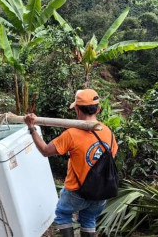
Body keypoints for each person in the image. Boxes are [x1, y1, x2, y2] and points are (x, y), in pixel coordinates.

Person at [24, 89, 118, 237]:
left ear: (77, 109)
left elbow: (45, 150)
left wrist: (31, 128)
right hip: (101, 192)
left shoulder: (71, 134)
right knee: (88, 219)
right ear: (98, 109)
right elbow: (110, 158)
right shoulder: (108, 133)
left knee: (63, 214)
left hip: (77, 192)